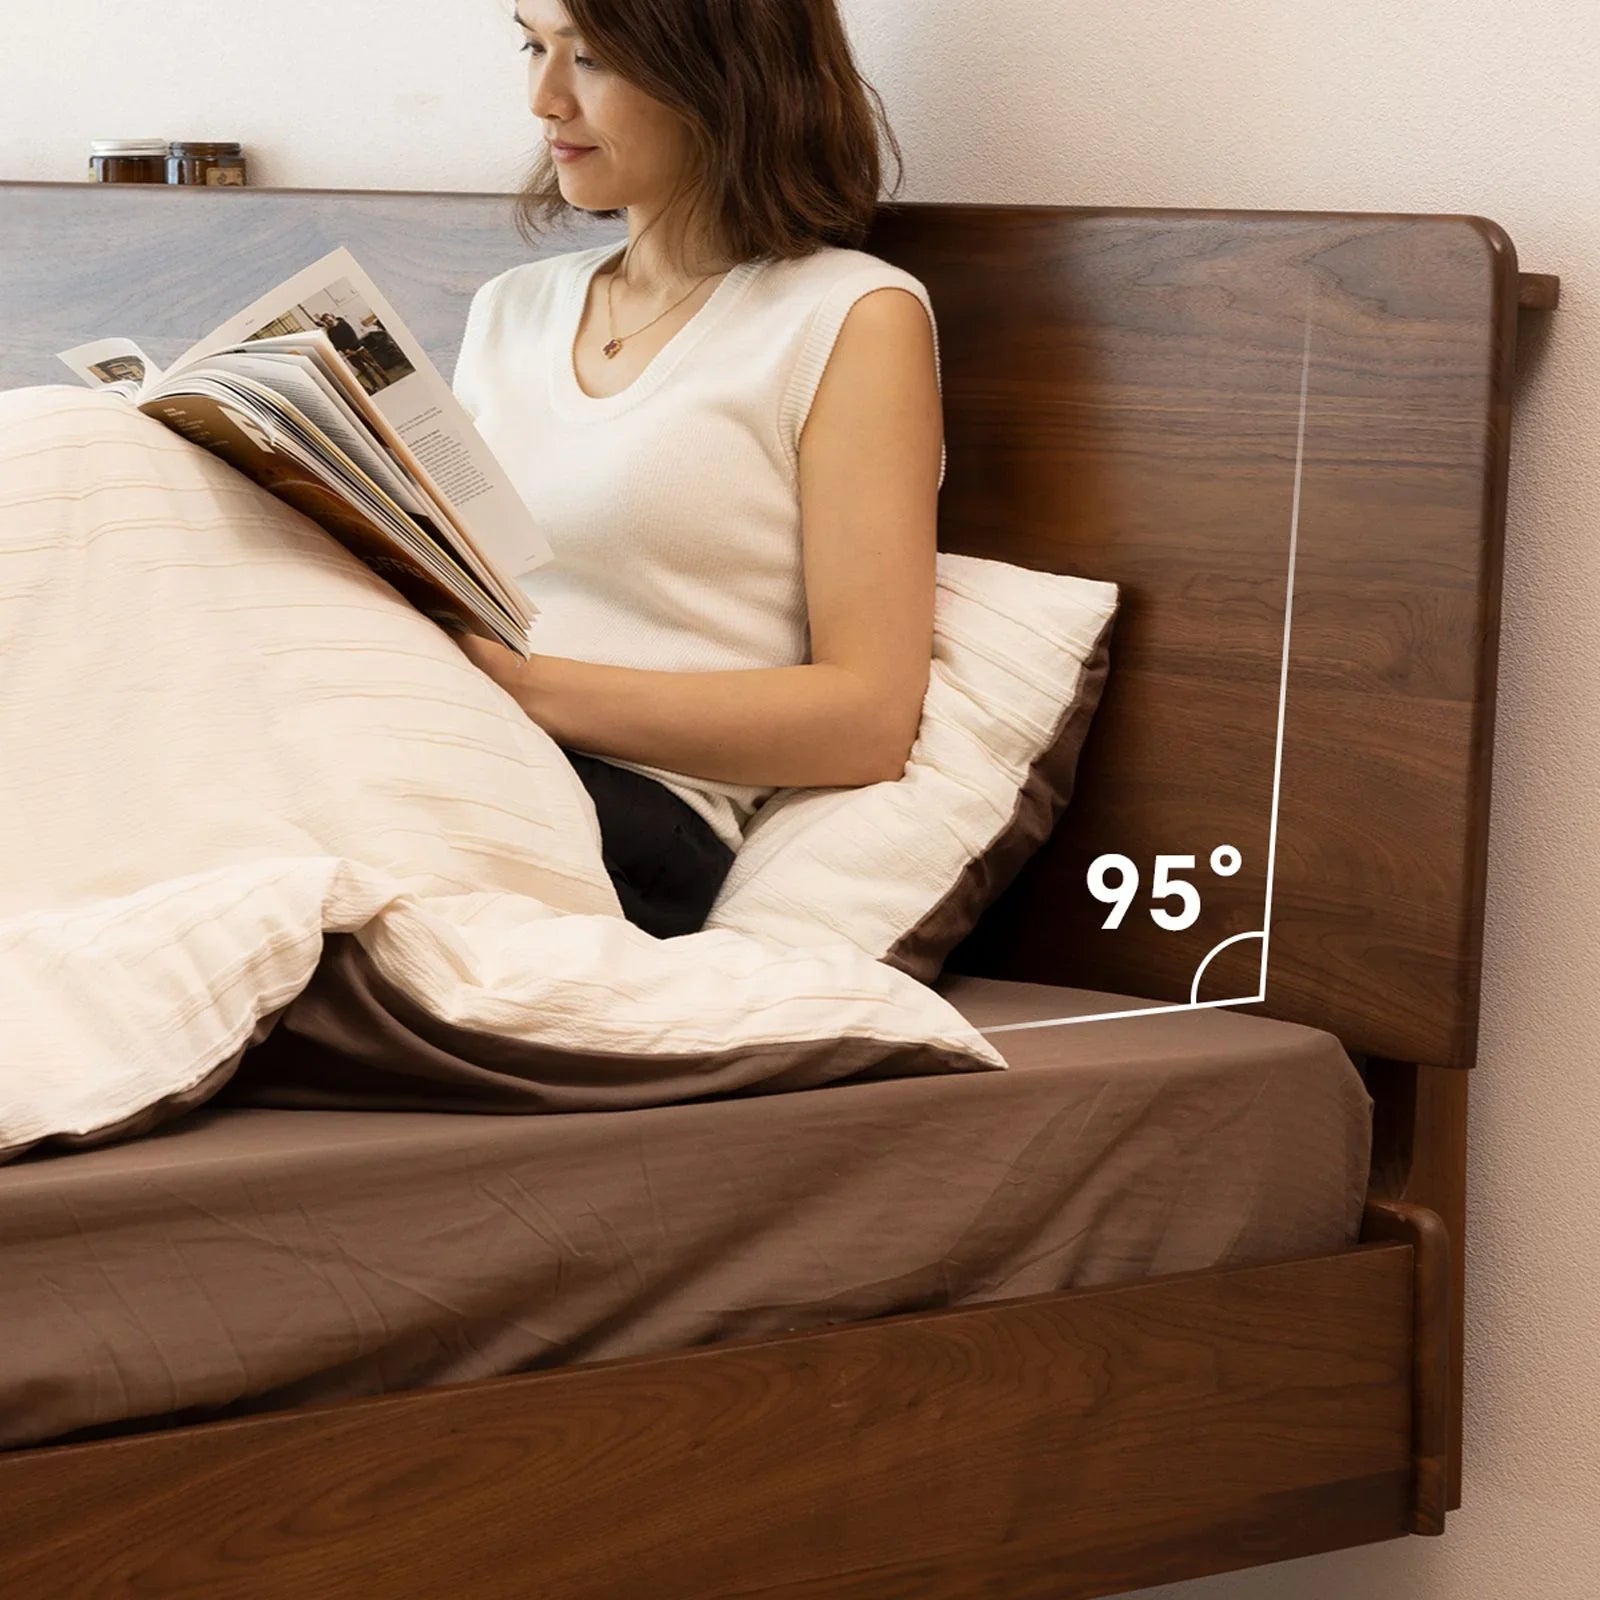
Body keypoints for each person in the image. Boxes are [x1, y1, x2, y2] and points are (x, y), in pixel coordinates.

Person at [450, 0, 946, 941]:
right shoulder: (510, 309)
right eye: (531, 45)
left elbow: (868, 718)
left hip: (627, 816)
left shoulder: (849, 316)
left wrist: (517, 685)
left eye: (590, 57)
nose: (543, 99)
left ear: (723, 73)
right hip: (453, 741)